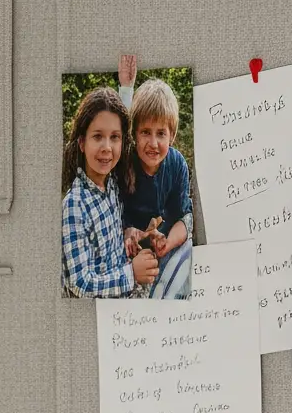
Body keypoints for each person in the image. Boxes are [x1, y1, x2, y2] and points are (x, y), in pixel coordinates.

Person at [61, 85, 159, 297]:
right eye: (97, 136)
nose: (107, 147)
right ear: (81, 143)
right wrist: (131, 274)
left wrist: (128, 233)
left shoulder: (112, 183)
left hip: (131, 293)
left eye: (114, 137)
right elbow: (79, 284)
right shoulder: (74, 204)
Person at [117, 75, 193, 300]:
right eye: (145, 132)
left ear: (172, 136)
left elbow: (184, 218)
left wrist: (167, 243)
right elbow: (115, 214)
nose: (153, 143)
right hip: (133, 249)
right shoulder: (124, 164)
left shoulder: (177, 164)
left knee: (186, 259)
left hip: (165, 243)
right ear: (134, 134)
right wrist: (126, 233)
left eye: (161, 133)